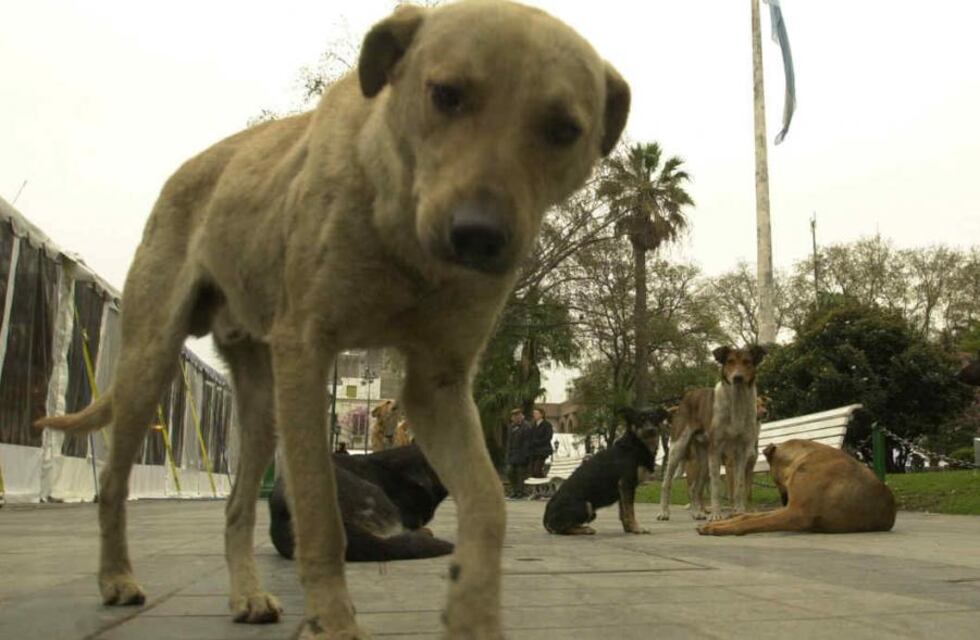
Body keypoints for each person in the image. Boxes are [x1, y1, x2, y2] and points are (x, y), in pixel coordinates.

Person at [505, 409, 531, 499]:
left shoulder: (526, 426)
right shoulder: (511, 427)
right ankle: (514, 490)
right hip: (513, 454)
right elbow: (509, 442)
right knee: (510, 472)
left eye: (516, 416)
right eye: (513, 416)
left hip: (522, 455)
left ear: (520, 416)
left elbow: (527, 442)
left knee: (520, 474)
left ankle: (520, 492)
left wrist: (525, 455)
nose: (513, 418)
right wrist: (508, 454)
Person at [529, 407, 554, 479]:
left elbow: (548, 437)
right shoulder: (533, 425)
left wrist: (538, 442)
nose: (534, 415)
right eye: (534, 413)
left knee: (537, 469)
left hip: (543, 450)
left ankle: (542, 480)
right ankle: (538, 482)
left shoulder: (547, 425)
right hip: (534, 451)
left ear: (541, 414)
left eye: (536, 413)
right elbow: (530, 436)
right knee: (532, 471)